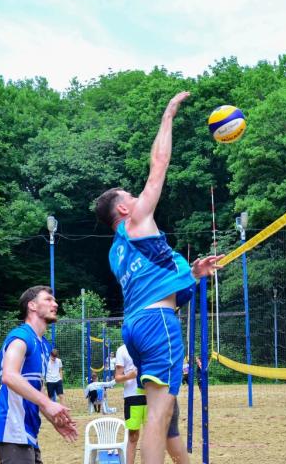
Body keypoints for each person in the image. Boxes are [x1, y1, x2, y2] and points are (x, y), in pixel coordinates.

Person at [95, 90, 223, 464]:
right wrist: (168, 115)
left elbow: (159, 282)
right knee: (159, 414)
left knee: (161, 416)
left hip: (135, 326)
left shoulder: (116, 251)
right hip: (157, 324)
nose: (138, 197)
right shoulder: (136, 220)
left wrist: (193, 275)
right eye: (131, 196)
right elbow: (160, 163)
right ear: (122, 207)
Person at [0, 286, 77, 462]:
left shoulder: (43, 345)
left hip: (27, 433)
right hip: (11, 431)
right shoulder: (21, 337)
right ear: (32, 306)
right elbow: (9, 376)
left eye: (54, 300)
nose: (55, 304)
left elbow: (37, 391)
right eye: (48, 299)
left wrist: (55, 420)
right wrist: (48, 403)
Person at [116, 344, 189, 464]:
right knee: (133, 437)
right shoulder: (122, 350)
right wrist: (129, 376)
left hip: (150, 394)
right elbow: (117, 377)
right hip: (132, 397)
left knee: (152, 435)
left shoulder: (149, 345)